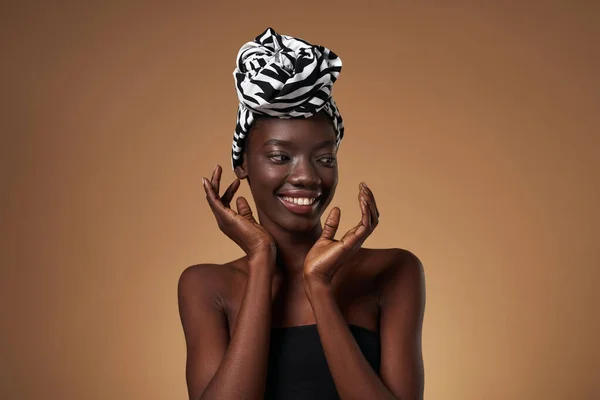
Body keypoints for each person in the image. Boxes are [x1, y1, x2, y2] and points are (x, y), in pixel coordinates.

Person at [177, 27, 426, 400]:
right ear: (242, 164)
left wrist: (319, 288)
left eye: (325, 158)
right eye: (280, 157)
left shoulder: (393, 272)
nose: (308, 176)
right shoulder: (206, 287)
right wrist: (261, 261)